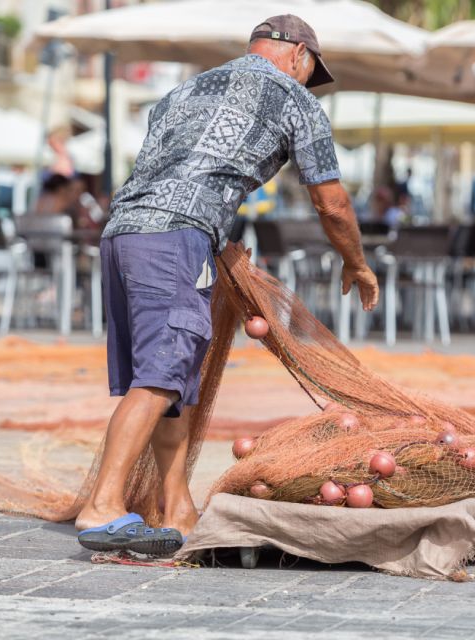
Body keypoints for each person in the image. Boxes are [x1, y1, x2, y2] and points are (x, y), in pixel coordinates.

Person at [75, 15, 379, 555]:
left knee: (176, 381)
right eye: (312, 71)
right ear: (299, 56)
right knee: (164, 375)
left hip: (123, 233)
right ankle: (102, 506)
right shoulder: (295, 98)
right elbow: (331, 202)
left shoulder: (181, 91)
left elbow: (176, 170)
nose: (310, 80)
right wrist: (356, 263)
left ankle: (177, 507)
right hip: (175, 237)